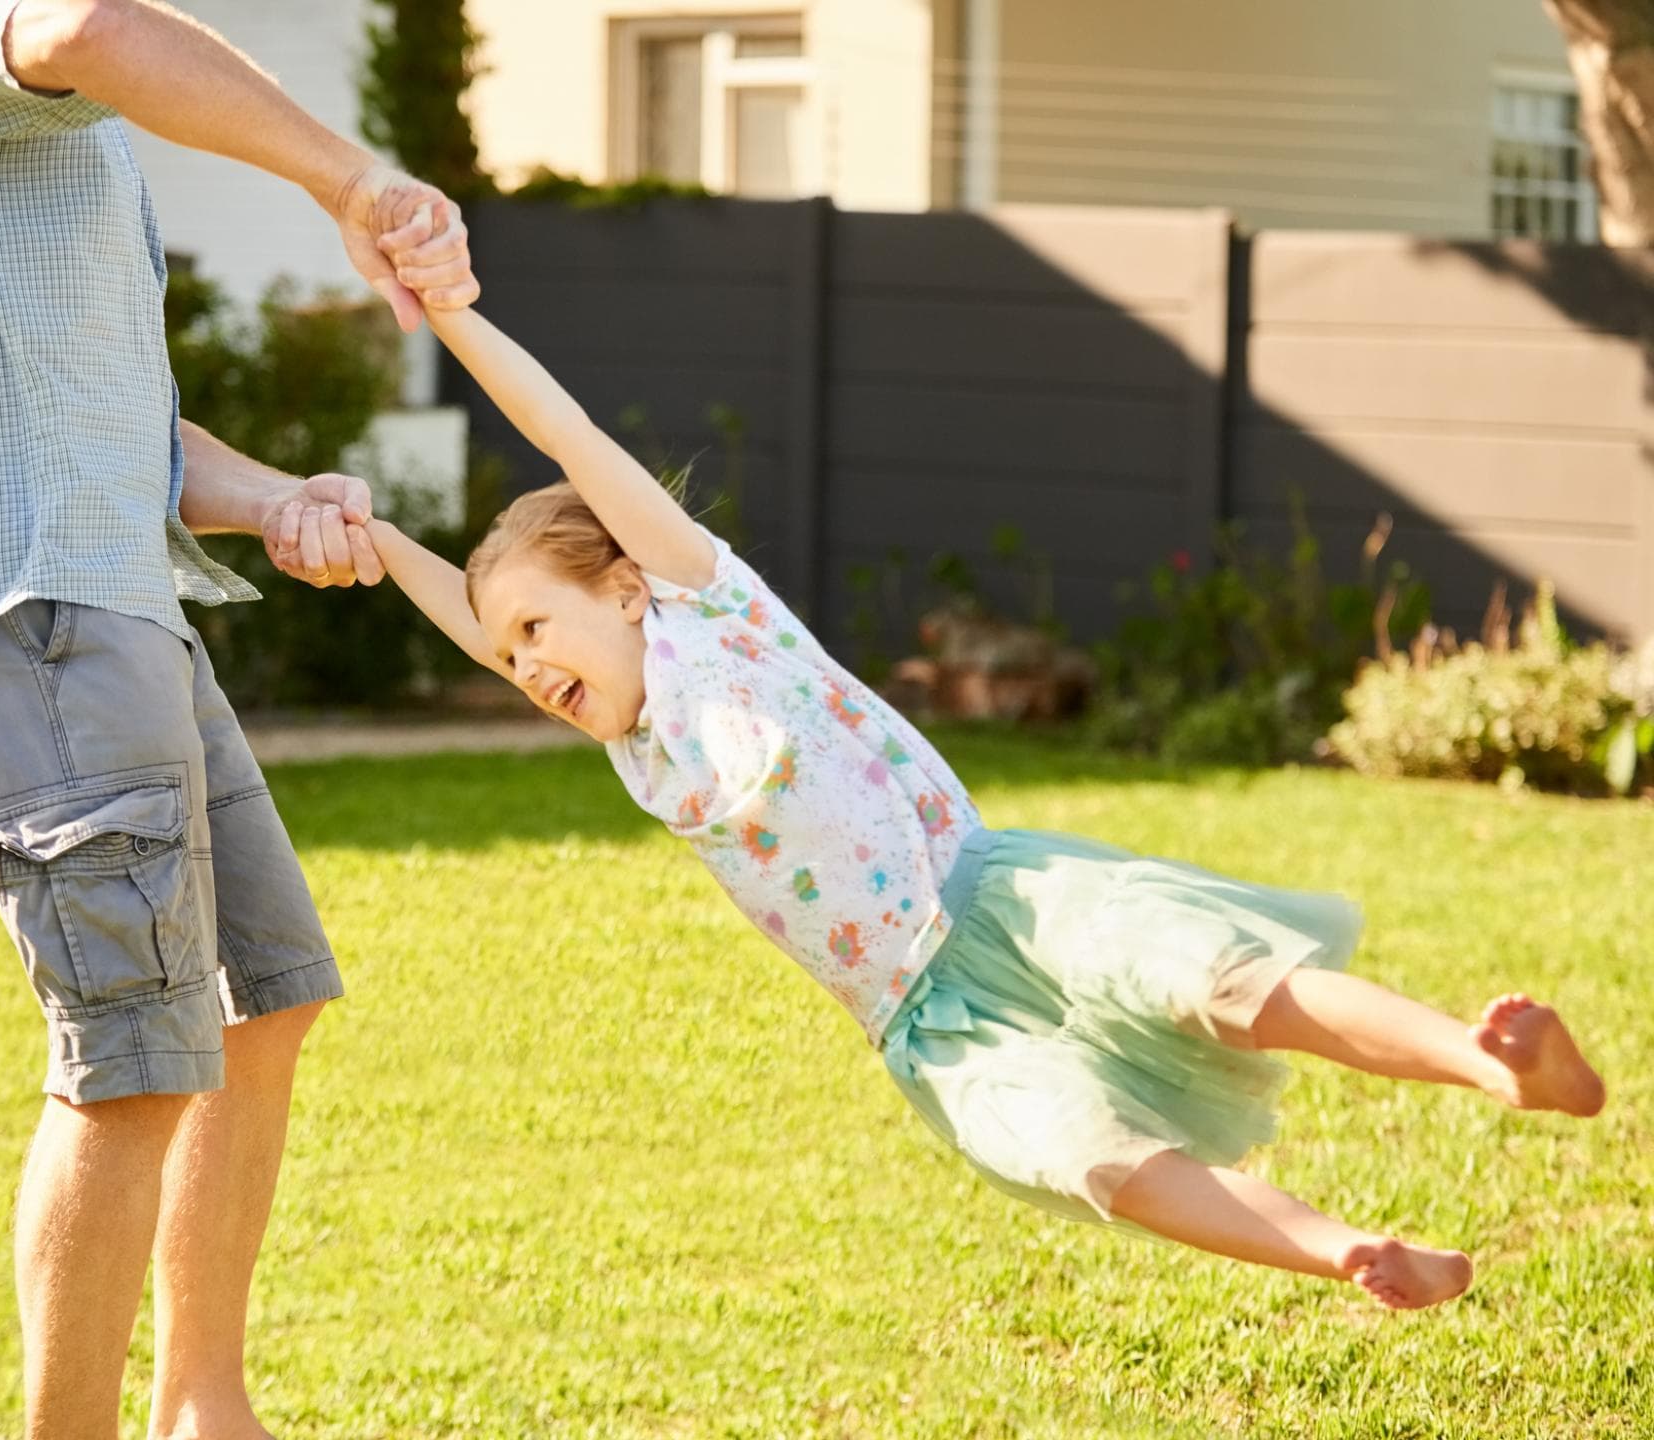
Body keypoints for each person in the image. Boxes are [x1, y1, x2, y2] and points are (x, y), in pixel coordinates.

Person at [282, 249, 1606, 1314]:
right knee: (1099, 1161)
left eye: (536, 631)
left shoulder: (703, 605)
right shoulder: (630, 739)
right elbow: (461, 613)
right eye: (504, 651)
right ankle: (1350, 1253)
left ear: (624, 587)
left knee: (1221, 979)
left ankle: (1490, 1064)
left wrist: (449, 317)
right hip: (929, 1025)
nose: (519, 664)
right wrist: (376, 535)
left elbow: (561, 431)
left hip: (1003, 896)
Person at [0, 2, 473, 1435]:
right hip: (26, 613)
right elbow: (102, 27)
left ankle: (202, 1409)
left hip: (114, 603)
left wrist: (275, 499)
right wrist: (354, 183)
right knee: (132, 1054)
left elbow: (123, 423)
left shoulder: (59, 131)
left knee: (260, 996)